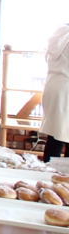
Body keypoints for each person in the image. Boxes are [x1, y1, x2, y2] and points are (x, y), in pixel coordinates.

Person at [41, 24, 69, 162]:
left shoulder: (59, 33)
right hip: (66, 87)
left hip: (53, 85)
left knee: (54, 135)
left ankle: (48, 169)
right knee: (62, 134)